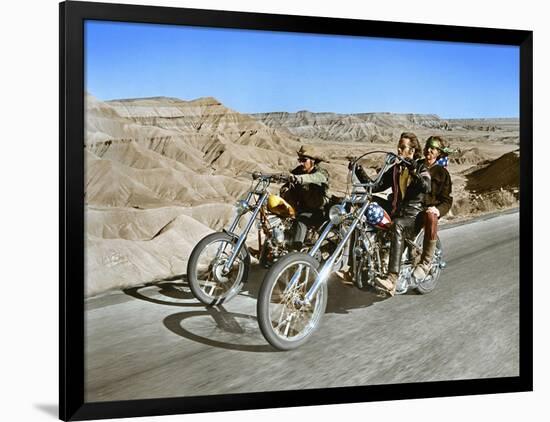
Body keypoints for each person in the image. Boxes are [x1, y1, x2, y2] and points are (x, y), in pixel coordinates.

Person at [355, 132, 431, 296]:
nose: (398, 149)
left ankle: (392, 280)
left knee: (397, 225)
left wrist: (413, 171)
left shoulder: (421, 168)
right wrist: (358, 169)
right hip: (396, 213)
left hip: (413, 217)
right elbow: (376, 186)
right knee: (360, 216)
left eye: (403, 147)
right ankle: (353, 269)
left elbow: (426, 187)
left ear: (412, 151)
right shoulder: (396, 169)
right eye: (399, 145)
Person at [412, 136, 453, 280]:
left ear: (438, 153)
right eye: (428, 147)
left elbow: (447, 200)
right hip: (411, 207)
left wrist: (437, 210)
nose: (429, 150)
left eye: (433, 148)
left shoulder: (442, 174)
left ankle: (426, 262)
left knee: (431, 216)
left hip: (426, 210)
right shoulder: (415, 165)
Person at [279, 145, 330, 250]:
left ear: (313, 161)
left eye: (304, 160)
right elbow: (290, 180)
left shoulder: (321, 172)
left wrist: (299, 179)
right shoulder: (298, 171)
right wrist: (284, 187)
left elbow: (317, 178)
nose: (301, 163)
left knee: (302, 220)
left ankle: (295, 252)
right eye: (300, 160)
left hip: (317, 211)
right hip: (300, 208)